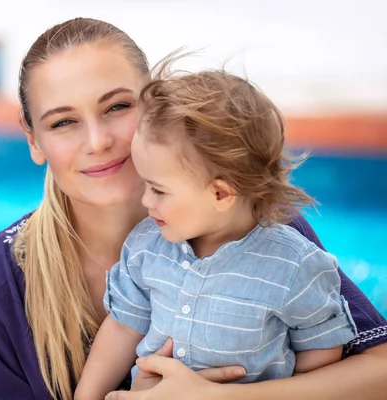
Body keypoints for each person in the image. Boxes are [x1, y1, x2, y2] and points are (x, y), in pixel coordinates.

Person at [0, 17, 387, 400]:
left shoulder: (247, 221)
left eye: (118, 107)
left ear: (154, 104)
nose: (97, 141)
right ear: (33, 139)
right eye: (63, 122)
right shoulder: (3, 282)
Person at [74, 63, 358, 400]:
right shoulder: (146, 246)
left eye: (158, 190)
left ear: (221, 194)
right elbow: (123, 326)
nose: (146, 200)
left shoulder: (295, 267)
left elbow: (323, 349)